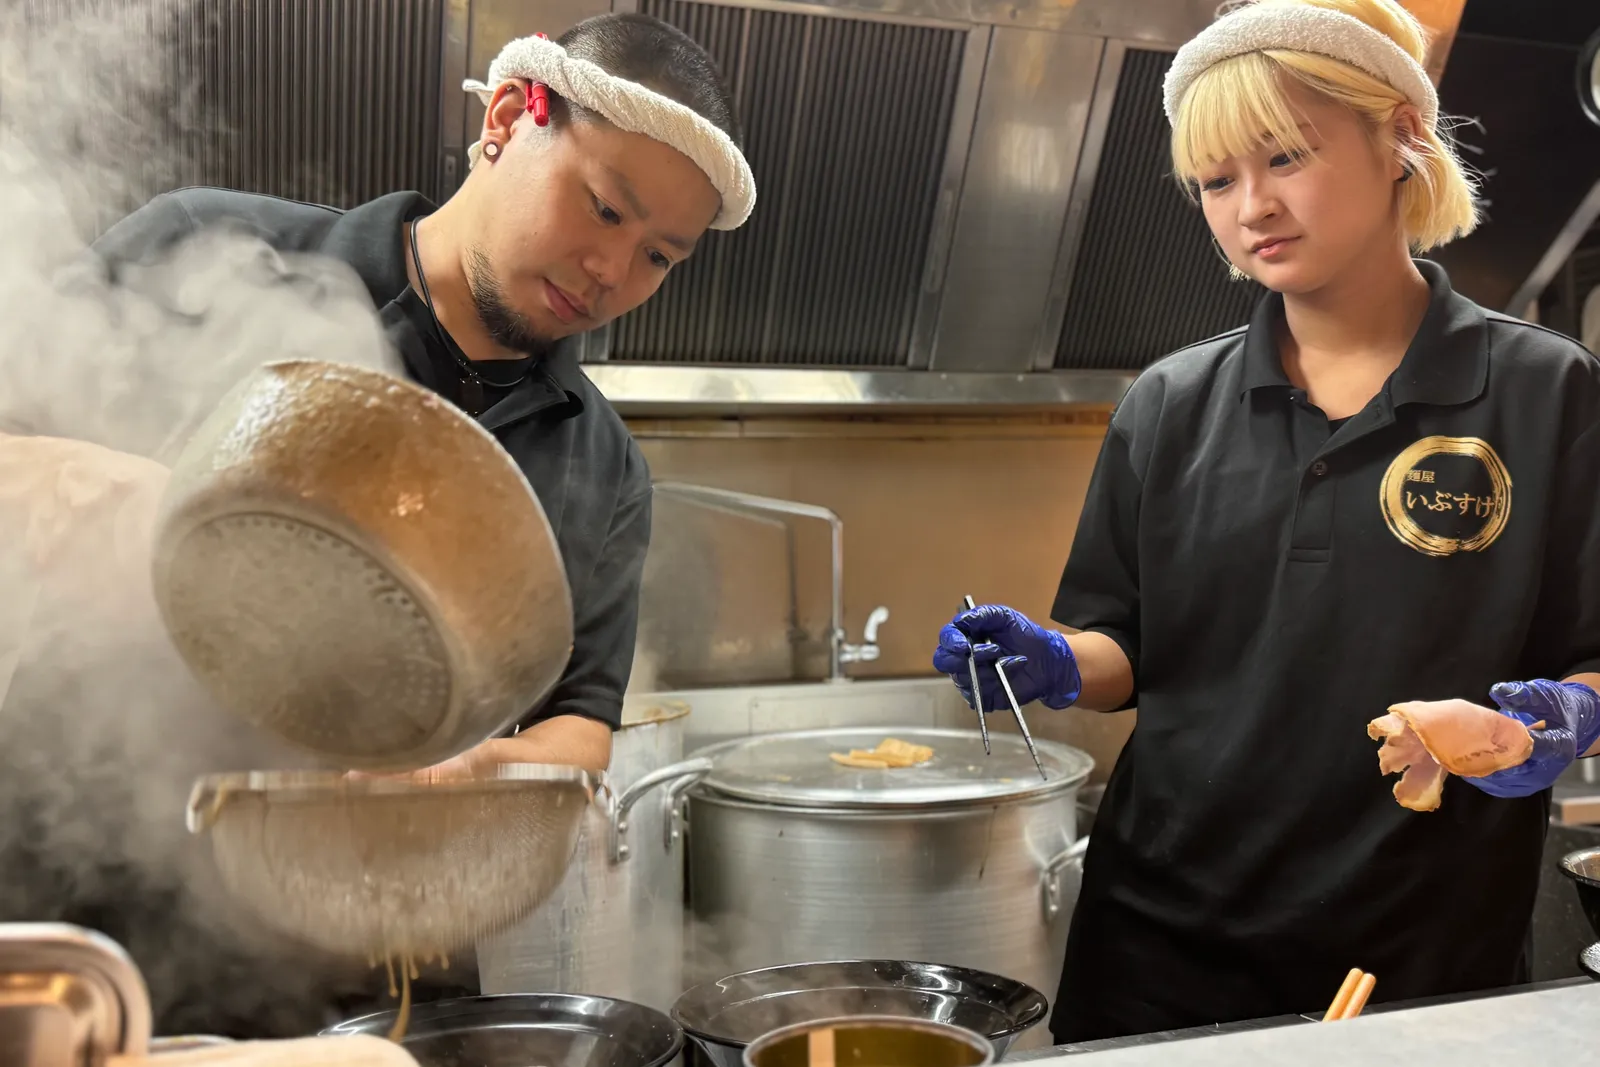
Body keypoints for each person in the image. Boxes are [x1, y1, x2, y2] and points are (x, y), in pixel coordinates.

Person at [933, 0, 1600, 1044]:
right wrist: (1054, 659)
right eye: (1213, 180)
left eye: (1285, 156)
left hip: (1417, 956)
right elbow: (1127, 646)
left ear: (1400, 140)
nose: (1251, 208)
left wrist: (1543, 722)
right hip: (1157, 943)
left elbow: (1595, 656)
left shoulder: (1543, 391)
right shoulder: (1169, 401)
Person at [81, 12, 755, 778]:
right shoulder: (203, 249)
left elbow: (579, 721)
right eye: (604, 207)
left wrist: (439, 779)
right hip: (63, 854)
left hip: (319, 886)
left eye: (658, 257)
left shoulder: (603, 468)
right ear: (507, 114)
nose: (612, 270)